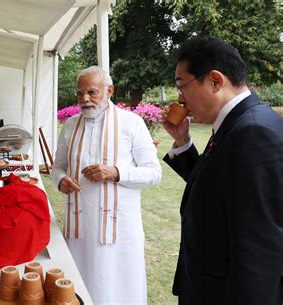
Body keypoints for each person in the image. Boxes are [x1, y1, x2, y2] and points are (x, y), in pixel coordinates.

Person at [162, 36, 283, 305]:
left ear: (216, 80)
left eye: (183, 86)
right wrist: (182, 142)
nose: (180, 99)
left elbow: (260, 251)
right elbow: (219, 188)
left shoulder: (254, 132)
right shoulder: (237, 123)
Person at [52, 66, 162, 304]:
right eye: (80, 93)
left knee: (116, 290)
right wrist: (61, 180)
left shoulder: (131, 123)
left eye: (92, 92)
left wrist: (116, 172)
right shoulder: (70, 125)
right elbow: (57, 166)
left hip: (119, 230)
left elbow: (154, 173)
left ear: (109, 90)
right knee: (79, 285)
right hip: (79, 228)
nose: (85, 99)